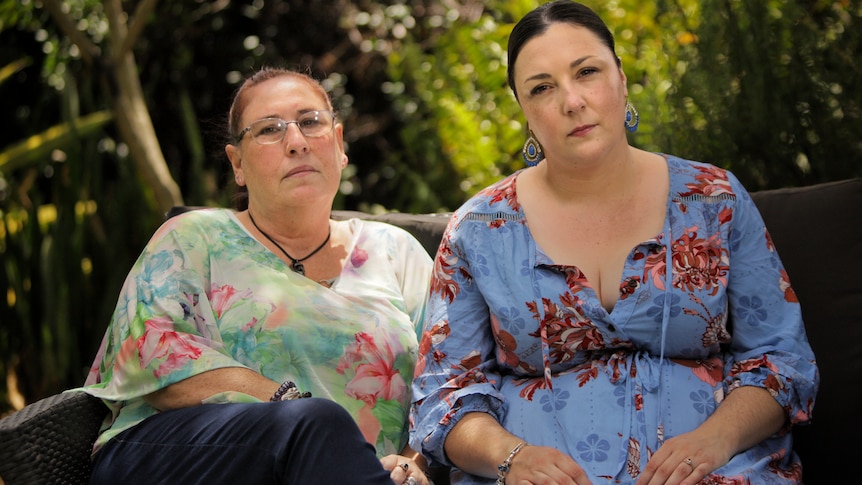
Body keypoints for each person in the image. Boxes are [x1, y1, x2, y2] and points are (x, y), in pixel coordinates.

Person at [409, 2, 818, 484]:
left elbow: (780, 360)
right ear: (523, 110)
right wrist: (512, 457)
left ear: (621, 78)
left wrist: (715, 439)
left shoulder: (713, 200)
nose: (572, 101)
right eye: (542, 87)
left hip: (718, 471)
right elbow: (444, 395)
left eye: (587, 72)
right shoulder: (478, 229)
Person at [81, 66, 434, 485]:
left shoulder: (396, 252)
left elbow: (446, 377)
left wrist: (413, 464)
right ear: (238, 164)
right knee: (314, 423)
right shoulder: (197, 238)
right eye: (269, 129)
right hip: (179, 458)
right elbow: (151, 354)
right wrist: (287, 405)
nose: (297, 142)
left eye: (310, 122)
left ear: (339, 145)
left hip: (350, 474)